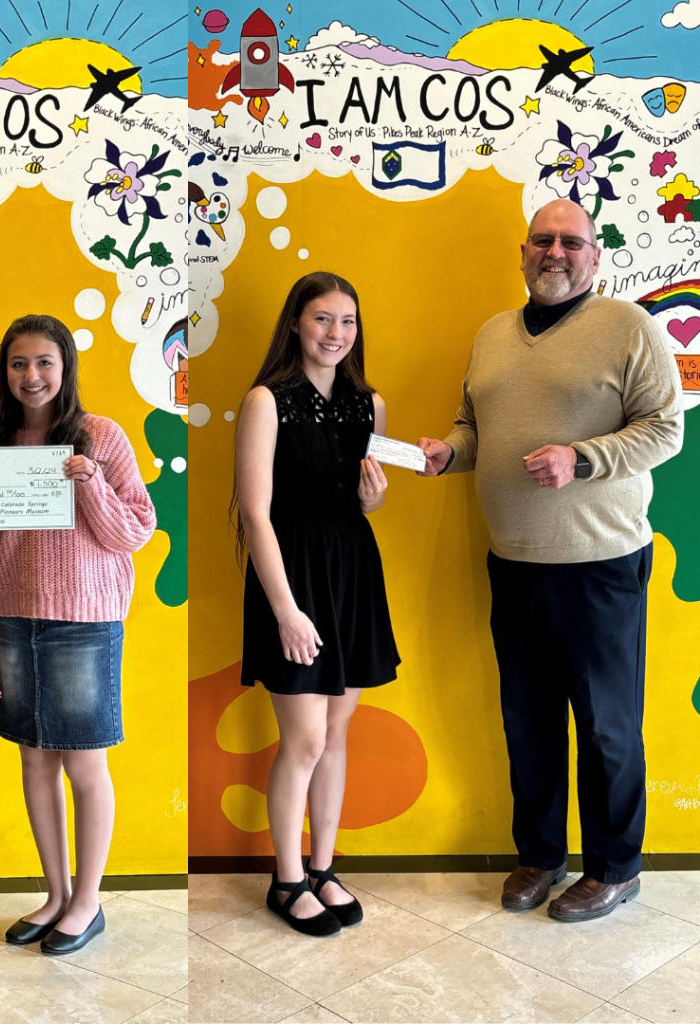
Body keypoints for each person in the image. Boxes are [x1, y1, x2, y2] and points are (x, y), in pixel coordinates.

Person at [419, 198, 683, 921]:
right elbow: (474, 426)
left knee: (606, 725)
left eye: (573, 242)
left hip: (600, 563)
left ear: (595, 257)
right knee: (528, 718)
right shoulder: (493, 335)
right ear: (524, 252)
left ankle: (616, 867)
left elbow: (667, 430)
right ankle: (539, 855)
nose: (555, 252)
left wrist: (584, 458)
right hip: (515, 560)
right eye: (543, 240)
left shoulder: (629, 328)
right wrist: (448, 455)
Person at [0, 314, 155, 954]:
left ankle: (88, 902)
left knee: (84, 761)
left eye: (45, 362)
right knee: (34, 759)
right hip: (16, 623)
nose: (32, 376)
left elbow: (134, 532)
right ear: (5, 370)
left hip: (84, 621)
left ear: (66, 366)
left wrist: (92, 484)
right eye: (20, 363)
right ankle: (56, 894)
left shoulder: (101, 436)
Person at [233, 272, 399, 936]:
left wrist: (376, 496)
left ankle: (325, 869)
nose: (336, 334)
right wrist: (286, 611)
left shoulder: (371, 405)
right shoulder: (265, 401)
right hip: (292, 576)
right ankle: (288, 879)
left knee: (335, 734)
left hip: (353, 572)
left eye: (348, 321)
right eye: (323, 319)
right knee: (302, 739)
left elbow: (364, 504)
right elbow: (254, 511)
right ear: (297, 324)